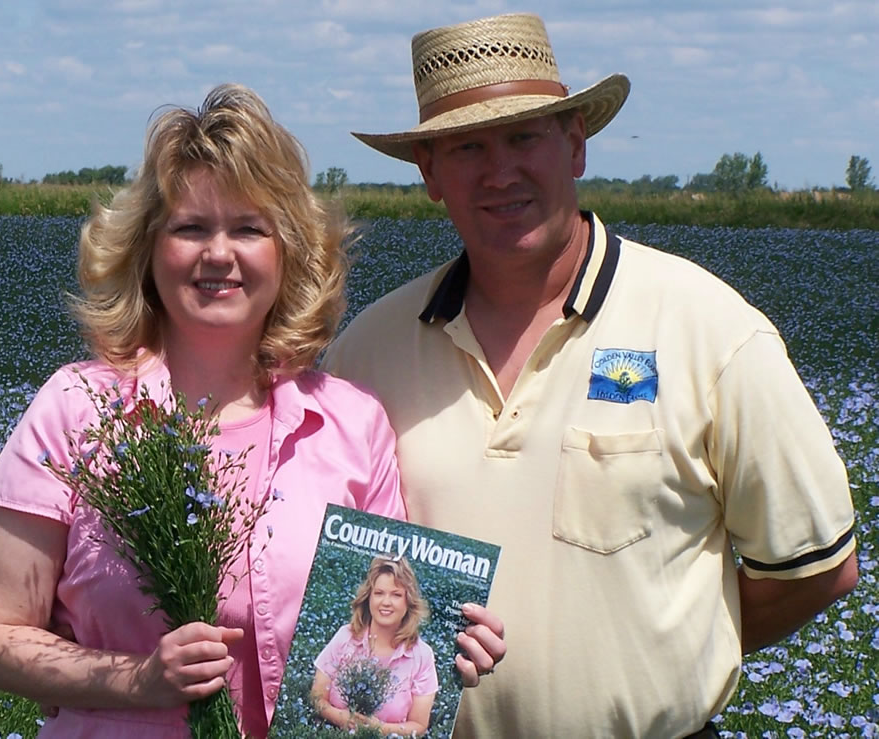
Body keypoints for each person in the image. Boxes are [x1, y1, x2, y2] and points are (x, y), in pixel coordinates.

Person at [321, 13, 859, 738]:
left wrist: (670, 653)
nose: (500, 170)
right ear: (429, 174)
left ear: (575, 145)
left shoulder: (711, 328)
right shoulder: (366, 353)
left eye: (524, 137)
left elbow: (819, 570)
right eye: (467, 146)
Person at [0, 83, 502, 739]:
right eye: (191, 227)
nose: (219, 253)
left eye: (248, 228)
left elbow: (379, 633)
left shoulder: (351, 424)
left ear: (289, 253)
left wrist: (443, 645)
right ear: (148, 251)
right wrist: (139, 678)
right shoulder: (76, 410)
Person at [311, 556, 438, 736]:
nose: (386, 602)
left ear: (408, 602)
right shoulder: (345, 636)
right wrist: (341, 718)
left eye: (396, 595)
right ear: (368, 597)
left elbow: (419, 725)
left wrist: (378, 728)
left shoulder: (422, 655)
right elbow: (317, 698)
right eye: (379, 593)